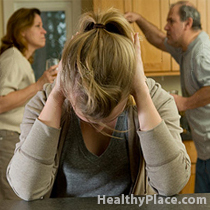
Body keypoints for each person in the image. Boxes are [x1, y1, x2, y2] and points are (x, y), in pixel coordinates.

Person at [6, 8, 190, 201]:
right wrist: (56, 94)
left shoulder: (155, 100)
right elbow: (26, 189)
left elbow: (171, 185)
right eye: (85, 111)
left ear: (128, 87)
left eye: (108, 112)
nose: (98, 123)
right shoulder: (45, 101)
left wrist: (141, 91)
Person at [125, 1, 210, 193]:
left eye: (171, 21)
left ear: (187, 23)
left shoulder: (201, 53)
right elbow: (158, 39)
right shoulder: (186, 49)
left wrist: (185, 103)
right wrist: (138, 19)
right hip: (205, 151)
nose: (166, 26)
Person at [0, 8, 57, 200]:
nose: (44, 31)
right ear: (22, 30)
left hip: (11, 137)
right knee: (13, 200)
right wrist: (39, 85)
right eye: (38, 26)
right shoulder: (13, 58)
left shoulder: (20, 59)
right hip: (6, 138)